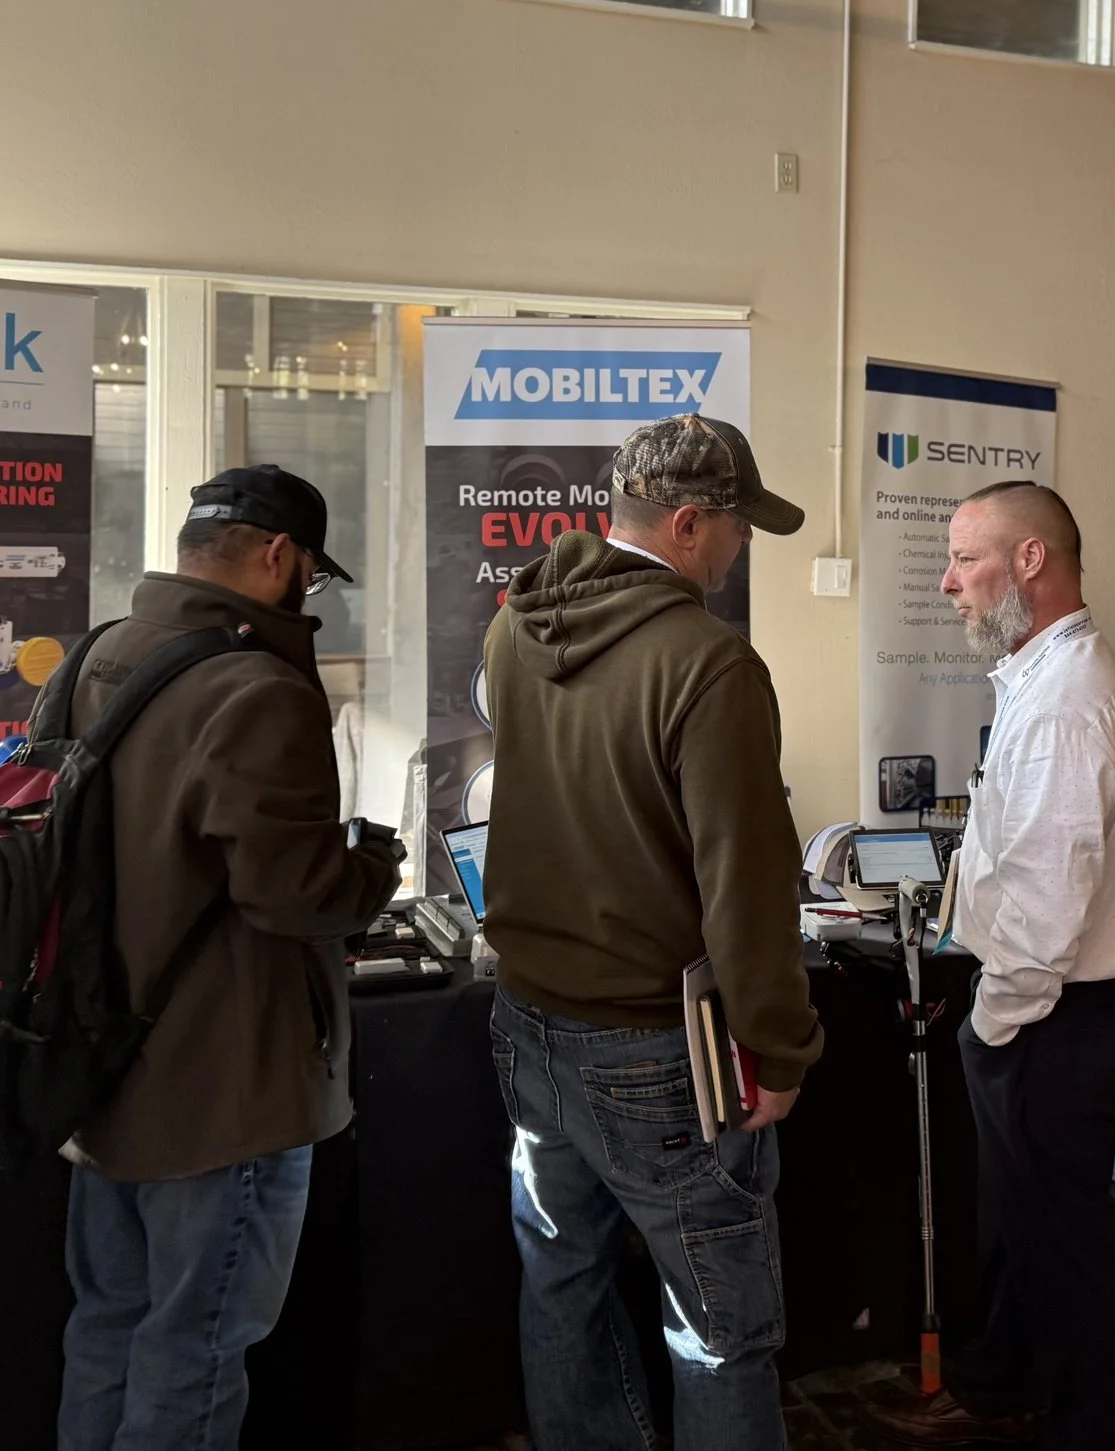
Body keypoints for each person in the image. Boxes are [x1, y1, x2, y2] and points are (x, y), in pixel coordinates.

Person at [481, 413, 822, 1451]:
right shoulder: (710, 663)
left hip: (526, 1022)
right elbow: (746, 883)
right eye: (738, 524)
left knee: (562, 1285)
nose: (742, 545)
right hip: (657, 1046)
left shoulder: (514, 628)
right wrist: (778, 1047)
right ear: (686, 523)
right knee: (718, 1322)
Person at [59, 465, 406, 1451]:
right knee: (199, 1349)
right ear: (279, 555)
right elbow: (294, 895)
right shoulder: (259, 687)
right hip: (226, 1090)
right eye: (312, 576)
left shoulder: (97, 655)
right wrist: (374, 863)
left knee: (108, 1328)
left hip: (99, 1070)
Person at [884, 482, 1115, 1449]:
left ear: (1030, 561)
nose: (948, 581)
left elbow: (1047, 913)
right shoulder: (1045, 675)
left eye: (965, 557)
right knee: (1019, 1223)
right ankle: (1000, 1383)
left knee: (1062, 1241)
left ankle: (1081, 1428)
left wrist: (992, 1023)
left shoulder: (1063, 705)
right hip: (1056, 1006)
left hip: (1057, 1013)